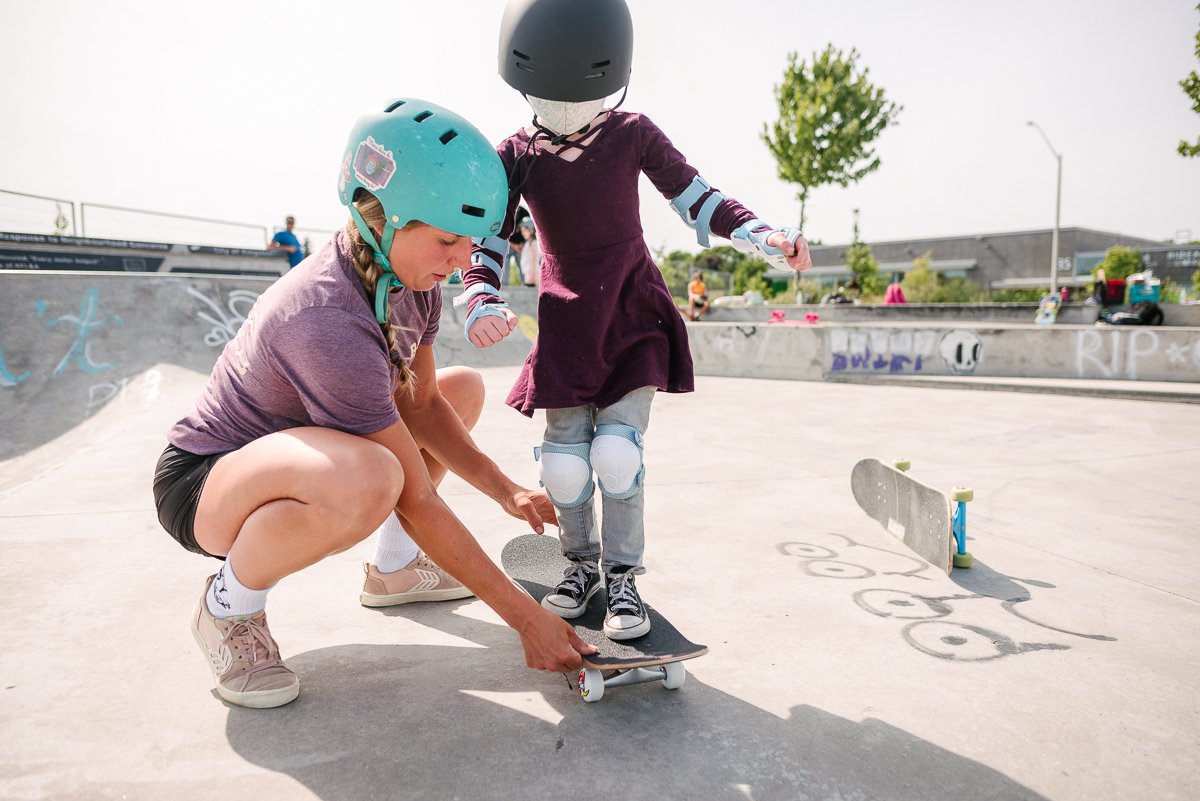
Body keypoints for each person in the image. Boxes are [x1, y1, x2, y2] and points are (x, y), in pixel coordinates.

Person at [152, 98, 594, 709]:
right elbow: (414, 496)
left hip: (292, 461)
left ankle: (395, 569)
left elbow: (426, 406)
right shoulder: (326, 317)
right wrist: (524, 619)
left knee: (461, 387)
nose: (465, 261)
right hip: (205, 484)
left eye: (471, 242)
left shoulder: (411, 285)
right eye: (447, 240)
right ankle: (228, 609)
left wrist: (506, 491)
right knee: (373, 477)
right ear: (381, 218)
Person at [459, 0, 811, 641]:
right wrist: (481, 297)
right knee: (564, 465)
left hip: (631, 311)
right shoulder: (515, 153)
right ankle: (578, 566)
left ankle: (622, 577)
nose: (564, 104)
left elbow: (697, 197)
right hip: (565, 321)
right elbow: (487, 238)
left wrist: (766, 236)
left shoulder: (632, 132)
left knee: (616, 456)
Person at [517, 218, 541, 287]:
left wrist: (532, 277)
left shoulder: (533, 244)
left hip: (532, 277)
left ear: (531, 230)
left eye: (524, 230)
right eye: (521, 231)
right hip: (528, 276)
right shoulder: (527, 244)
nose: (522, 233)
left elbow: (533, 262)